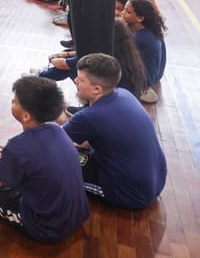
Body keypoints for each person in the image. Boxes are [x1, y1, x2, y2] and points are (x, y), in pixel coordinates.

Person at [0, 75, 88, 243]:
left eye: (14, 102)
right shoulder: (57, 129)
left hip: (47, 227)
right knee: (12, 174)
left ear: (26, 116)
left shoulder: (18, 146)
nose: (12, 103)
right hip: (78, 214)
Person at [62, 54, 167, 209]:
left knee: (56, 165)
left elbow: (50, 141)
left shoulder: (89, 116)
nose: (76, 81)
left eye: (80, 80)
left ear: (97, 89)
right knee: (74, 150)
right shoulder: (125, 94)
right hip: (156, 180)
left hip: (130, 194)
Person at [121, 0, 166, 103]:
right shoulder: (149, 31)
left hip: (145, 80)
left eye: (128, 11)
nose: (122, 13)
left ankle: (138, 91)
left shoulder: (141, 38)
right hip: (155, 75)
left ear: (140, 18)